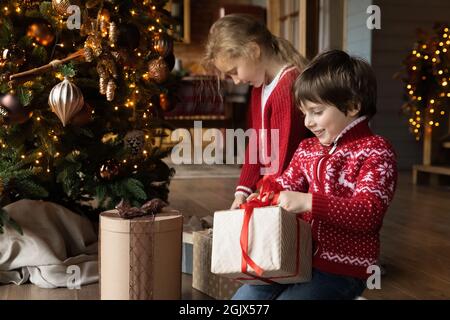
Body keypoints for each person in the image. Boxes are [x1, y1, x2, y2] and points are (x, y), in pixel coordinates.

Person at [233, 50, 398, 300]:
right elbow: (285, 183)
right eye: (304, 113)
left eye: (317, 112)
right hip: (294, 257)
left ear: (353, 106)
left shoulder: (376, 151)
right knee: (244, 300)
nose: (308, 122)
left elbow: (368, 213)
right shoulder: (307, 149)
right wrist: (259, 196)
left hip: (343, 270)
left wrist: (308, 201)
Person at [202, 14, 309, 209]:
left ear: (253, 50)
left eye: (234, 71)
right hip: (276, 189)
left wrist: (265, 195)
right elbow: (256, 141)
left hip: (294, 195)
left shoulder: (287, 86)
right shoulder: (259, 88)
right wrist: (243, 190)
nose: (235, 80)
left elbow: (284, 154)